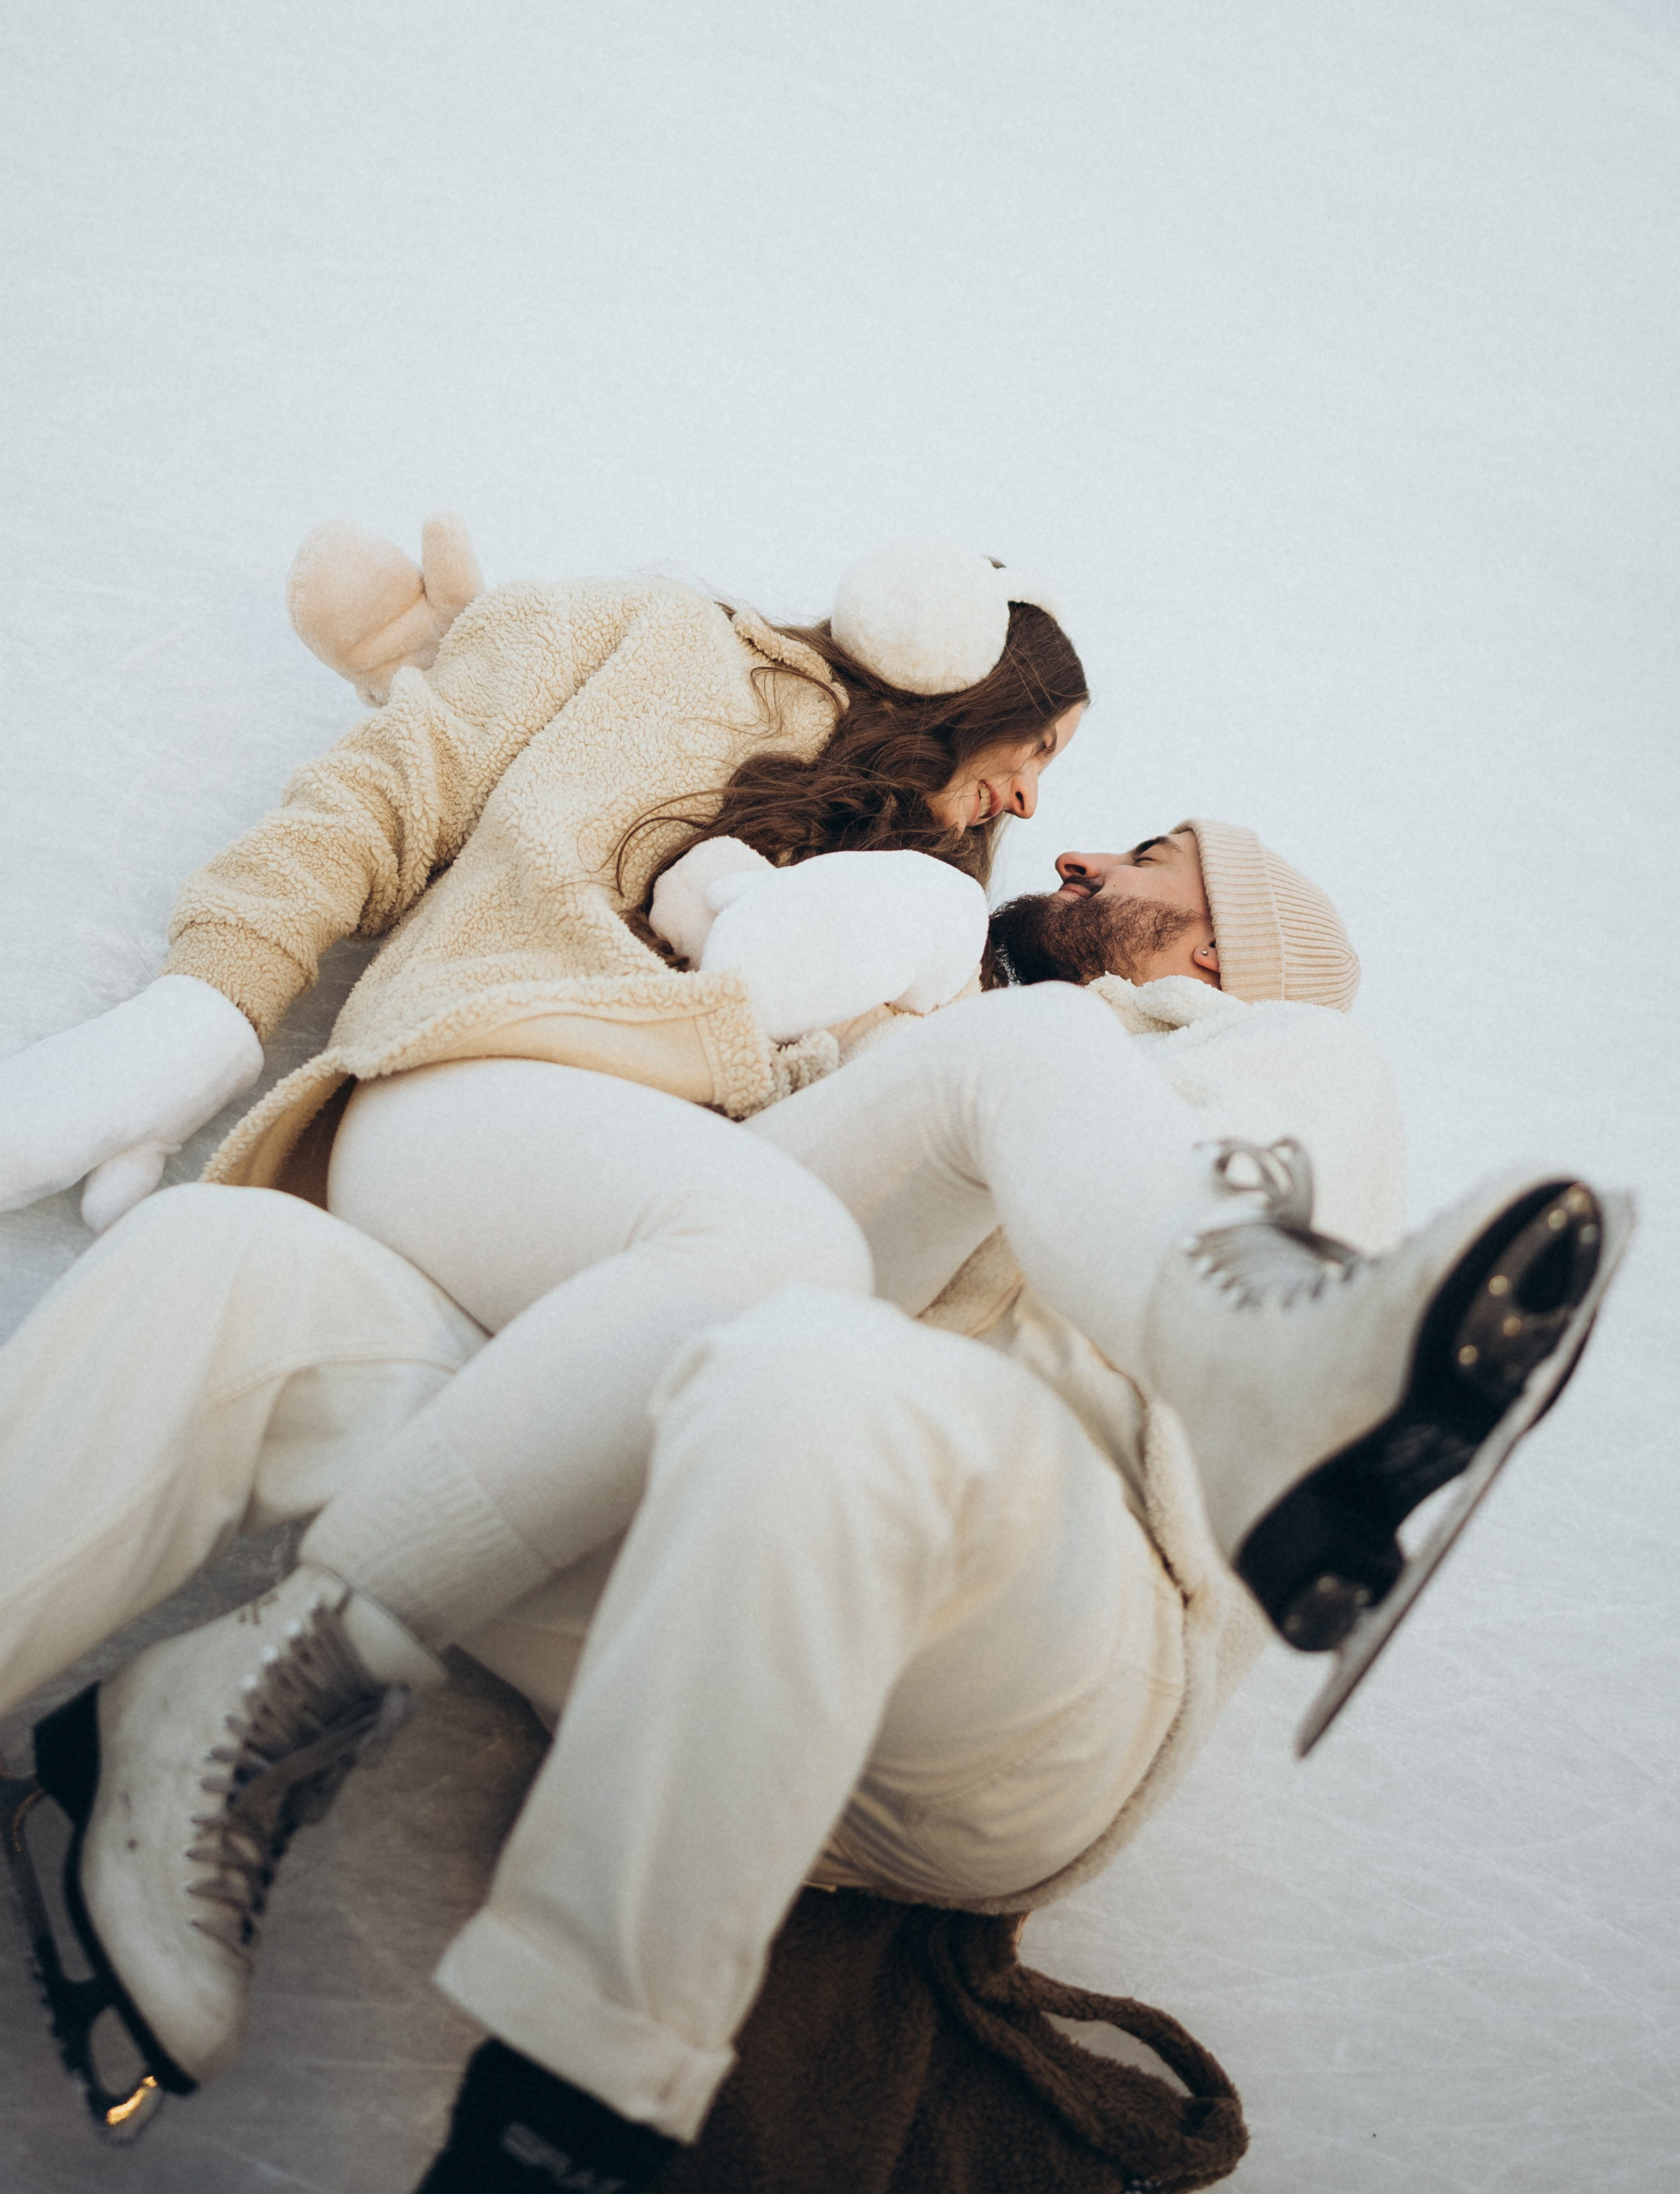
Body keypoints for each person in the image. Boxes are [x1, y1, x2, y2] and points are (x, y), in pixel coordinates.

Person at [0, 811, 1623, 2187]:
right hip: (716, 1553)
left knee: (839, 1361)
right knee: (238, 1264)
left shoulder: (1290, 1054)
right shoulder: (950, 1039)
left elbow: (923, 1280)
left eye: (1148, 857)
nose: (1078, 844)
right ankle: (199, 1721)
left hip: (1040, 1648)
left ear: (1215, 956)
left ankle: (561, 2120)